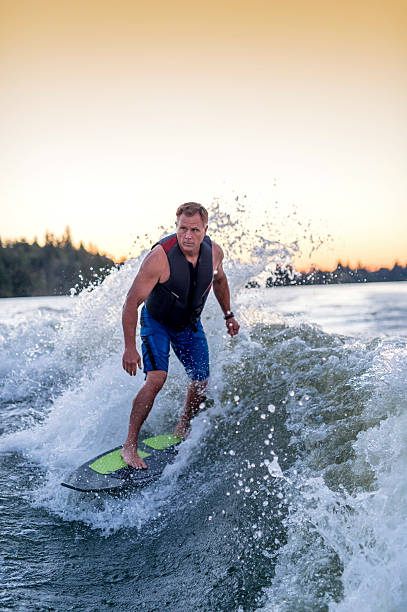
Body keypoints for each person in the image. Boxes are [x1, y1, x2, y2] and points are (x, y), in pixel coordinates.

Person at [121, 202, 240, 468]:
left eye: (194, 230)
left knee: (201, 382)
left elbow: (220, 281)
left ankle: (182, 427)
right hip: (157, 322)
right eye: (182, 229)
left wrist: (228, 315)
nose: (188, 235)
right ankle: (129, 446)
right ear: (176, 227)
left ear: (205, 229)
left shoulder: (214, 254)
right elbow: (131, 302)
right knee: (156, 379)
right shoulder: (160, 257)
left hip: (188, 325)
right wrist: (130, 347)